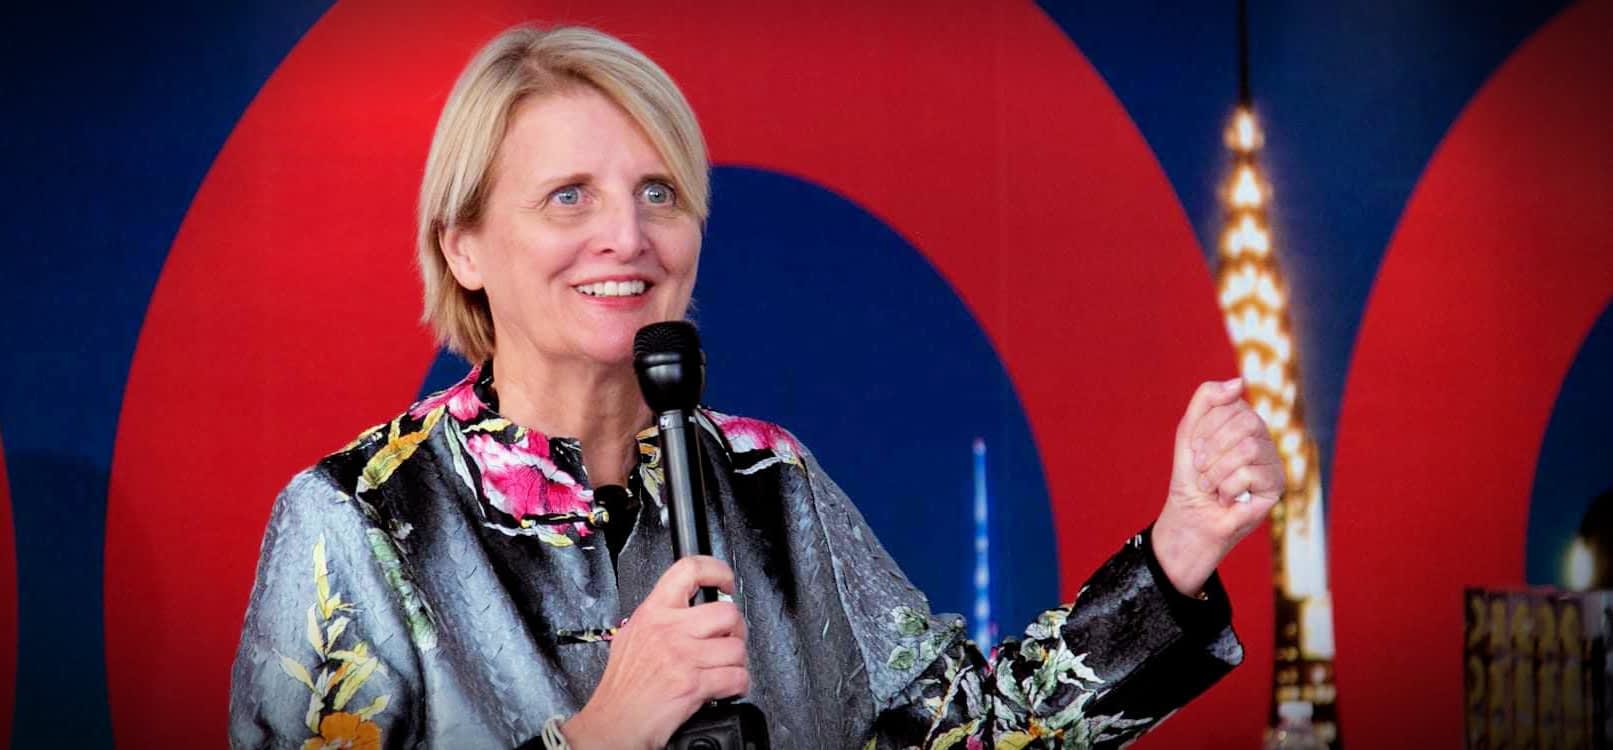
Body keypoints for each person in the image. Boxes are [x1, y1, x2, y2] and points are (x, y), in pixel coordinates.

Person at [229, 25, 1283, 750]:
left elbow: (958, 731)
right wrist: (596, 736)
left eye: (658, 191)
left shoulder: (767, 479)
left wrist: (1179, 548)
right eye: (567, 196)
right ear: (462, 245)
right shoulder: (352, 523)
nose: (627, 237)